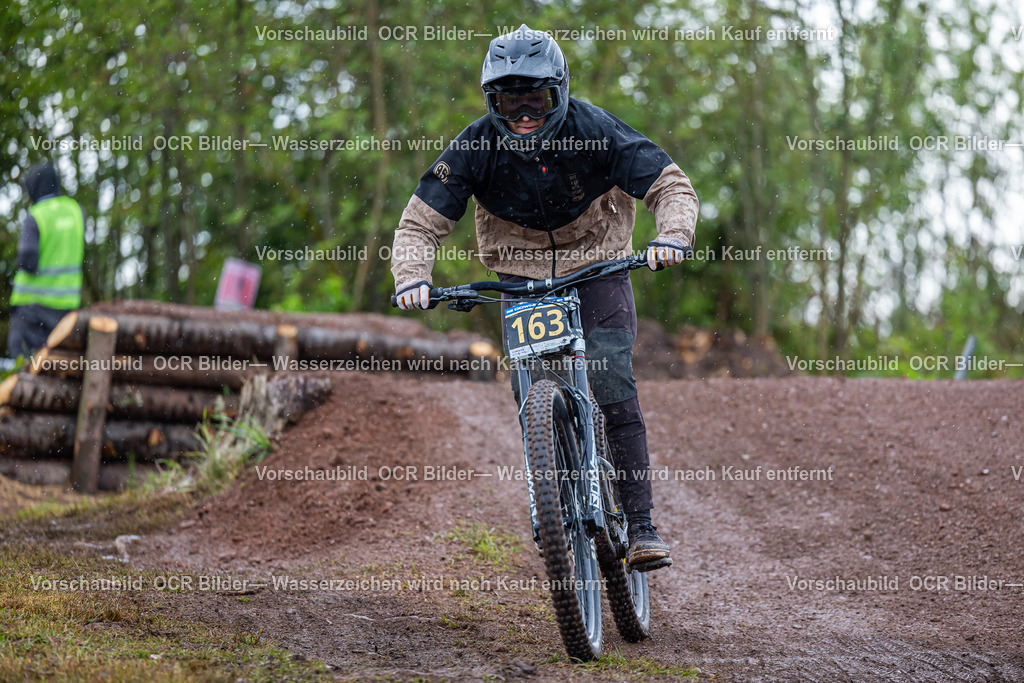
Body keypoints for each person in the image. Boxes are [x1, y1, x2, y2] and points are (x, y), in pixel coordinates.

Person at [391, 25, 698, 571]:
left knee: (611, 379)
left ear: (560, 93)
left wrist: (672, 236)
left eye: (537, 99)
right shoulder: (475, 146)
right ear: (492, 102)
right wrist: (412, 277)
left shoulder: (594, 129)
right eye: (510, 102)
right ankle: (551, 502)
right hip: (518, 273)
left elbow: (669, 185)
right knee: (528, 388)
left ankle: (642, 525)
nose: (525, 114)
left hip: (599, 263)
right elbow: (419, 224)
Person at [7, 162, 85, 358]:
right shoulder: (76, 212)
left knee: (24, 366)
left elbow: (27, 261)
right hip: (66, 311)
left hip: (32, 310)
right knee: (58, 365)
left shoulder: (36, 216)